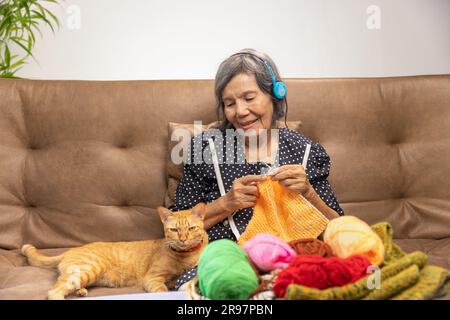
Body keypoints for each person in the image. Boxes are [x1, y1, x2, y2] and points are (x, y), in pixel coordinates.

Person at [169, 48, 344, 290]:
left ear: (275, 94)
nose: (240, 112)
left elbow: (341, 229)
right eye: (229, 103)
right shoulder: (205, 149)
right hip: (227, 267)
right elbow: (174, 227)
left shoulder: (304, 151)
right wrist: (226, 203)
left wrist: (309, 193)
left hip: (292, 262)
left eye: (249, 98)